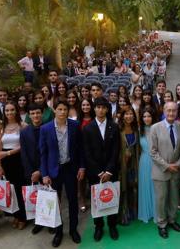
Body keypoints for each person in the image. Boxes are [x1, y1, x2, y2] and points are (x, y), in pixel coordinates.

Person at [40, 100, 86, 247]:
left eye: (65, 109)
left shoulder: (75, 126)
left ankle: (73, 230)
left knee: (73, 200)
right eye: (59, 109)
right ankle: (59, 231)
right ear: (54, 110)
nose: (62, 112)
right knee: (56, 202)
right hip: (54, 170)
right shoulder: (45, 129)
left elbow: (80, 149)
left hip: (70, 169)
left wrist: (82, 167)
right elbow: (43, 153)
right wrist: (45, 174)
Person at [82, 97, 120, 241]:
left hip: (111, 172)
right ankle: (98, 227)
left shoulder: (114, 126)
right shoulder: (87, 128)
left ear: (107, 109)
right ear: (94, 109)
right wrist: (99, 172)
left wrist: (109, 171)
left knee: (112, 198)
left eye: (103, 107)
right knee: (97, 201)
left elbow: (116, 150)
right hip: (95, 173)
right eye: (98, 107)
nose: (100, 110)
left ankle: (112, 226)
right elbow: (87, 153)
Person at [149, 102, 180, 238]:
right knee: (161, 199)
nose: (171, 113)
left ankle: (172, 219)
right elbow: (153, 152)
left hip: (176, 170)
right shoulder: (155, 128)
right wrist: (166, 165)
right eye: (168, 110)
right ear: (163, 111)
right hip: (161, 171)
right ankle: (162, 224)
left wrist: (179, 163)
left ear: (177, 112)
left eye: (174, 111)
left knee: (174, 198)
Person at [0, 102, 28, 229]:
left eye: (12, 110)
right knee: (11, 190)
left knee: (20, 189)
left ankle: (23, 217)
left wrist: (8, 152)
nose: (9, 113)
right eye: (7, 110)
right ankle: (16, 215)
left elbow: (24, 146)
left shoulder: (23, 126)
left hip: (19, 160)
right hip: (5, 162)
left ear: (16, 111)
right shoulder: (0, 127)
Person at [19, 104, 47, 235]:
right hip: (31, 171)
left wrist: (41, 171)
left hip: (46, 169)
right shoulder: (24, 132)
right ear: (29, 115)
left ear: (42, 113)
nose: (36, 116)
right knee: (35, 197)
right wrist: (31, 172)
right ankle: (39, 222)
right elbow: (23, 153)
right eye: (33, 113)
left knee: (49, 197)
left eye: (38, 113)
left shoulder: (48, 128)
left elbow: (51, 152)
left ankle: (51, 222)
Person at [119, 107, 140, 225]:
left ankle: (133, 212)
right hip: (122, 165)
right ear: (122, 116)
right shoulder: (118, 129)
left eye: (131, 114)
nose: (129, 116)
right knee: (123, 189)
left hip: (134, 164)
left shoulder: (136, 129)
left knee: (133, 187)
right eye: (126, 114)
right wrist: (123, 156)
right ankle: (123, 215)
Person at [138, 107, 158, 223]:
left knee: (156, 187)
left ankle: (157, 212)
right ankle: (147, 212)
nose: (146, 118)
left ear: (153, 117)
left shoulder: (158, 128)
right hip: (144, 161)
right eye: (144, 116)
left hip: (156, 161)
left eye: (149, 116)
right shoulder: (139, 130)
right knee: (145, 186)